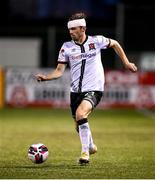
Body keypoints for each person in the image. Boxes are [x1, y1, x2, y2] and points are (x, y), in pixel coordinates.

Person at [35, 12, 137, 165]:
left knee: (81, 113)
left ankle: (84, 154)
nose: (70, 32)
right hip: (75, 92)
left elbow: (115, 43)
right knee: (79, 122)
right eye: (69, 29)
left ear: (82, 28)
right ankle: (90, 145)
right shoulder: (66, 47)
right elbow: (59, 71)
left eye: (74, 29)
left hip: (94, 88)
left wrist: (127, 63)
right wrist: (46, 77)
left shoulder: (96, 41)